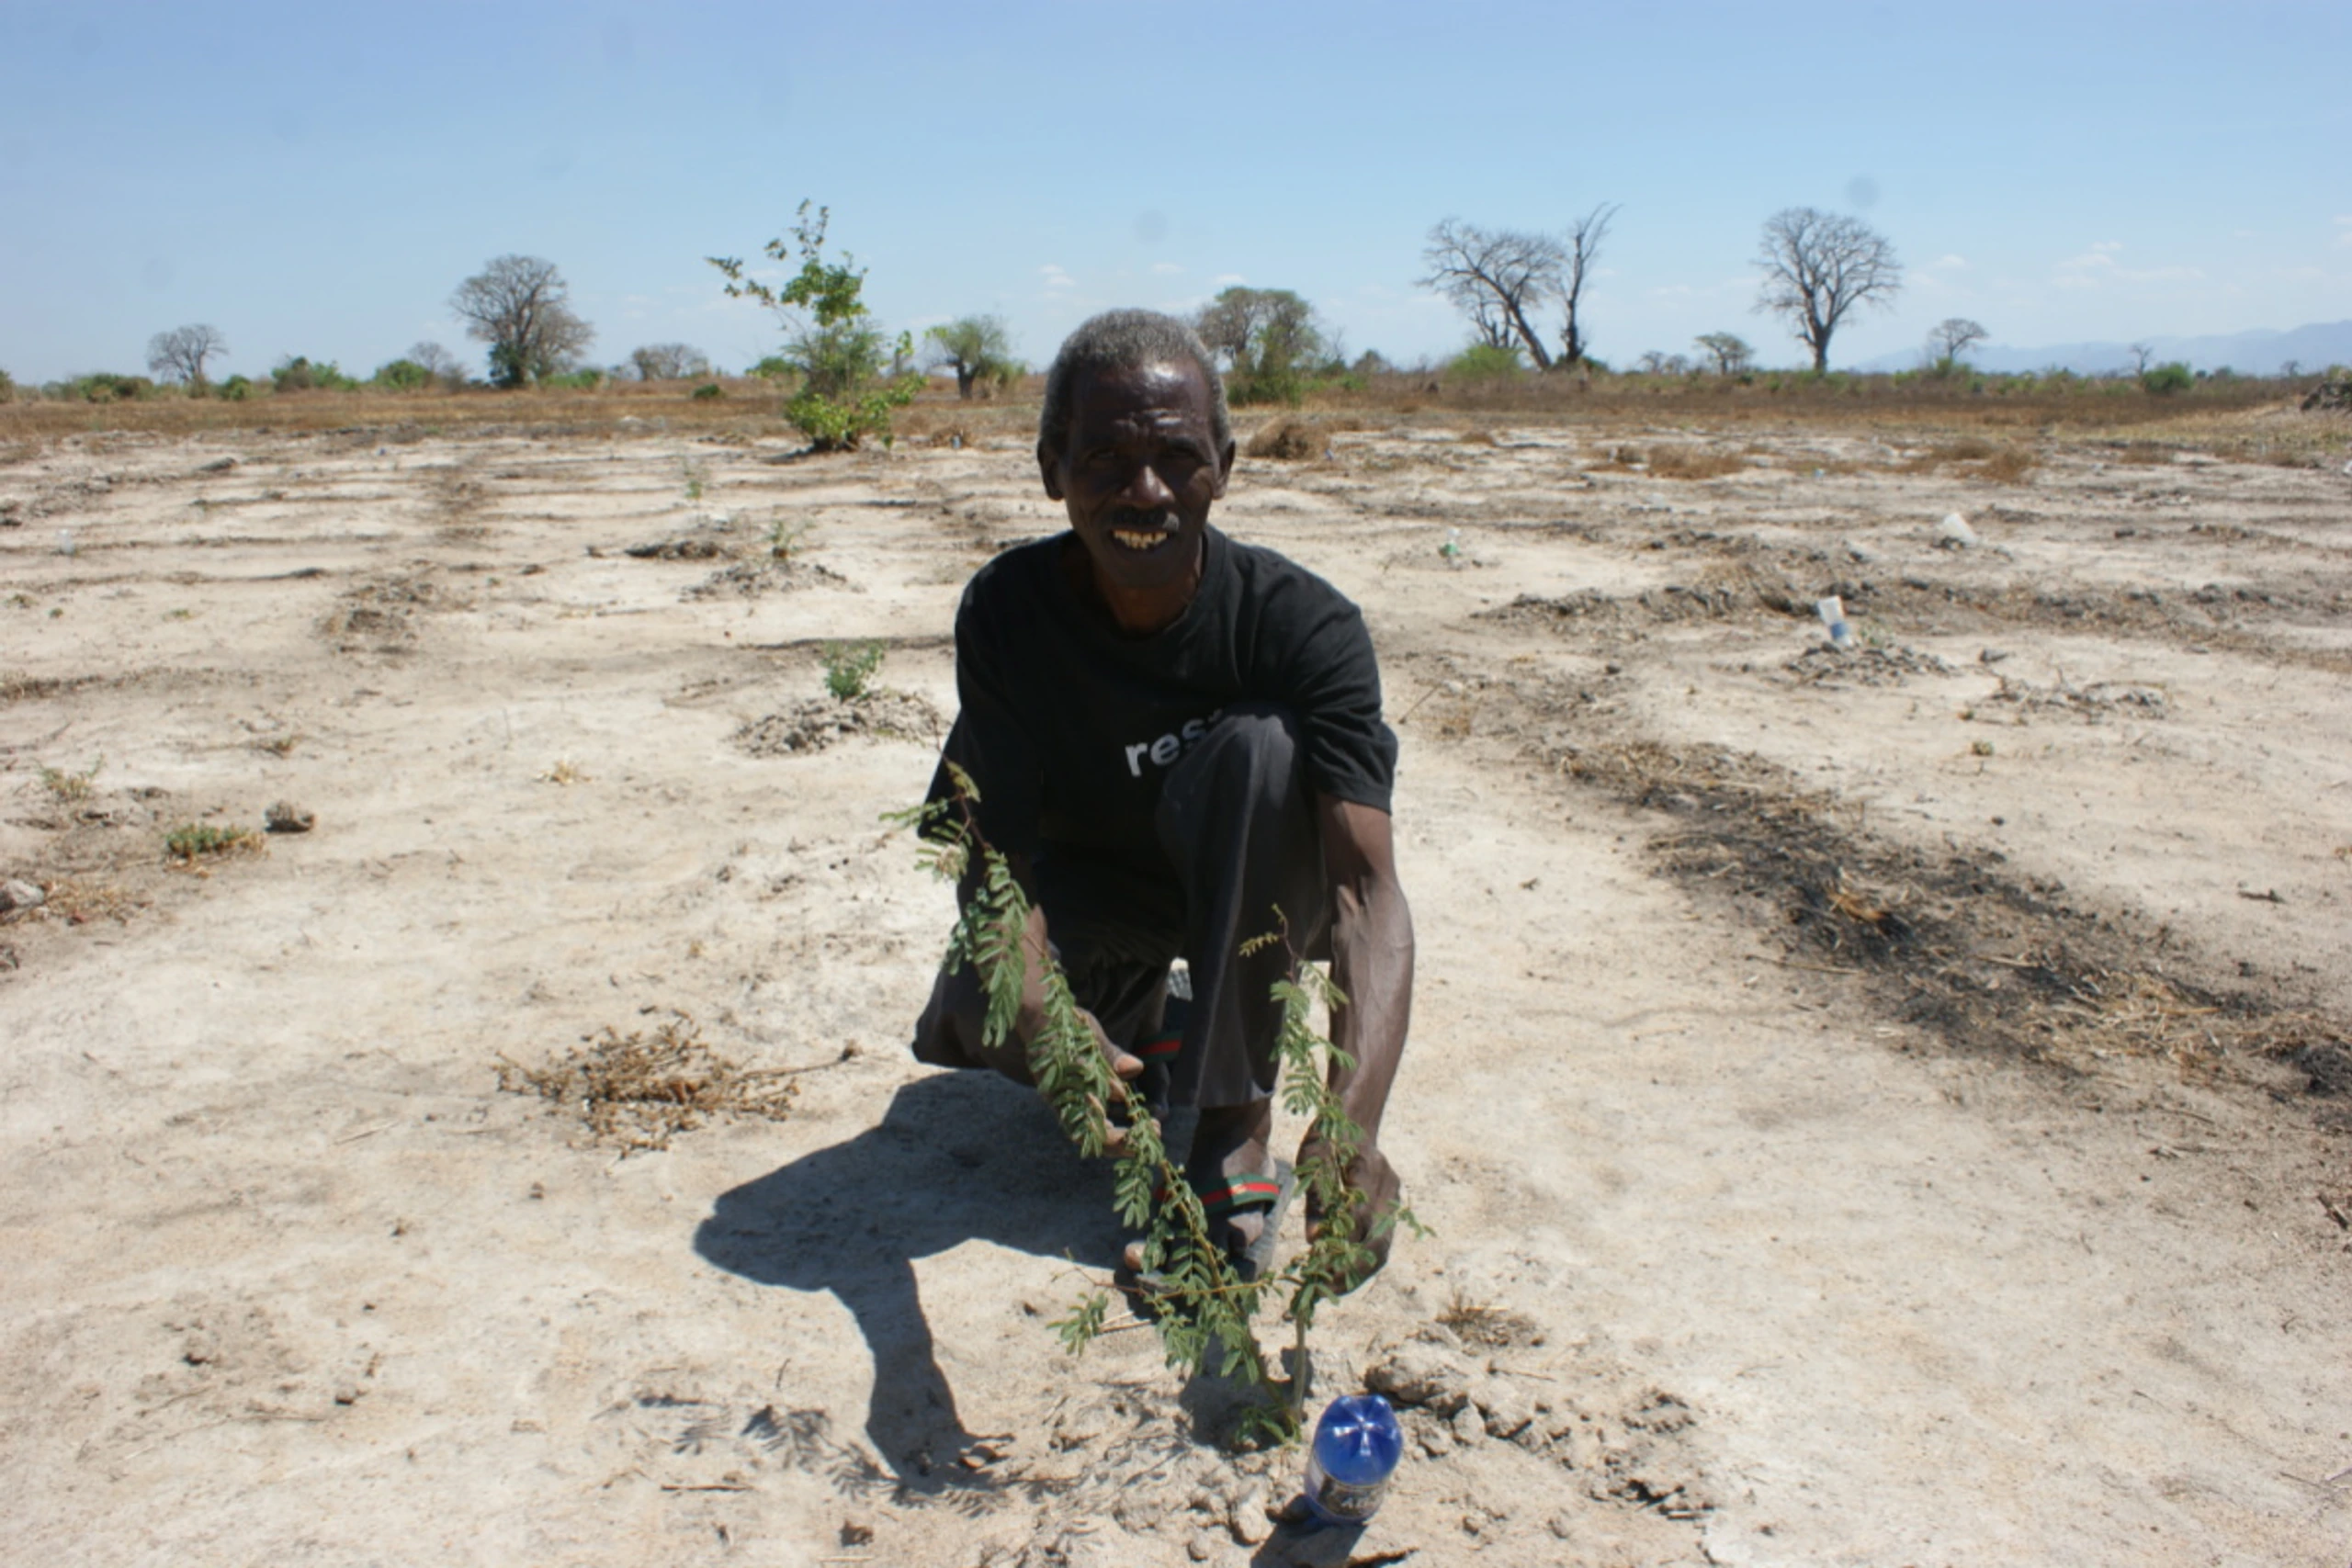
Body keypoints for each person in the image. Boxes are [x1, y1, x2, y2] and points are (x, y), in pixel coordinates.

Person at [912, 309, 1411, 1286]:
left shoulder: (1301, 625)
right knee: (986, 1007)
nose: (1143, 492)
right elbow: (996, 862)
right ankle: (1152, 1024)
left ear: (1223, 466)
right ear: (1052, 468)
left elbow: (1367, 893)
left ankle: (1232, 1130)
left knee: (1263, 750)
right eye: (1104, 457)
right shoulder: (1009, 611)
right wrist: (1043, 1007)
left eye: (1177, 457)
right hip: (1098, 897)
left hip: (1258, 905)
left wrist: (1351, 1123)